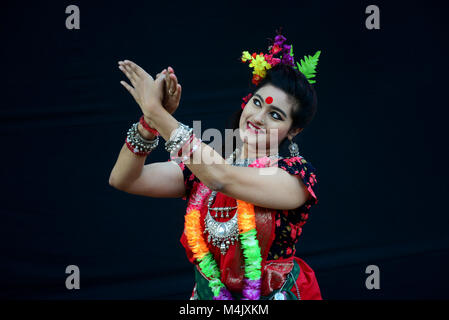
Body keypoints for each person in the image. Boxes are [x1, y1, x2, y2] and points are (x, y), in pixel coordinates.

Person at [109, 31, 322, 300]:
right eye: (257, 102)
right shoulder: (204, 167)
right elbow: (125, 179)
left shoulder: (296, 176)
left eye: (275, 115)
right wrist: (149, 123)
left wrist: (158, 113)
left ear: (294, 130)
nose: (258, 117)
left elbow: (222, 179)